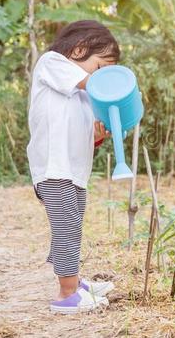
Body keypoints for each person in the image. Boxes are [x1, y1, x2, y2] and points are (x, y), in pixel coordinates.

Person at [27, 20, 118, 313]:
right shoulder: (51, 63)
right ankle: (67, 294)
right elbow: (90, 83)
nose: (103, 75)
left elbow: (86, 132)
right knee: (66, 227)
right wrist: (115, 85)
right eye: (102, 66)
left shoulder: (83, 93)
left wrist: (100, 133)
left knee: (72, 224)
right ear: (78, 49)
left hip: (75, 172)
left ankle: (75, 281)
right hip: (54, 168)